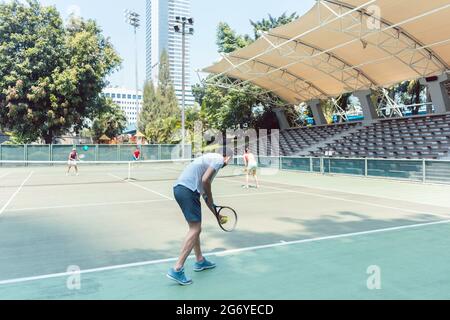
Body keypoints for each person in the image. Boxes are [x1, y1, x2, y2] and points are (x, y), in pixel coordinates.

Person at [167, 148, 234, 286]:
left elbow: (205, 194)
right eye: (230, 159)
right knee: (195, 229)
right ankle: (177, 268)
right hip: (188, 191)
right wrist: (210, 196)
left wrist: (216, 214)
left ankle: (200, 260)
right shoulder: (218, 160)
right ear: (227, 157)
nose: (228, 162)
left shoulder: (209, 159)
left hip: (180, 189)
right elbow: (205, 181)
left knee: (195, 228)